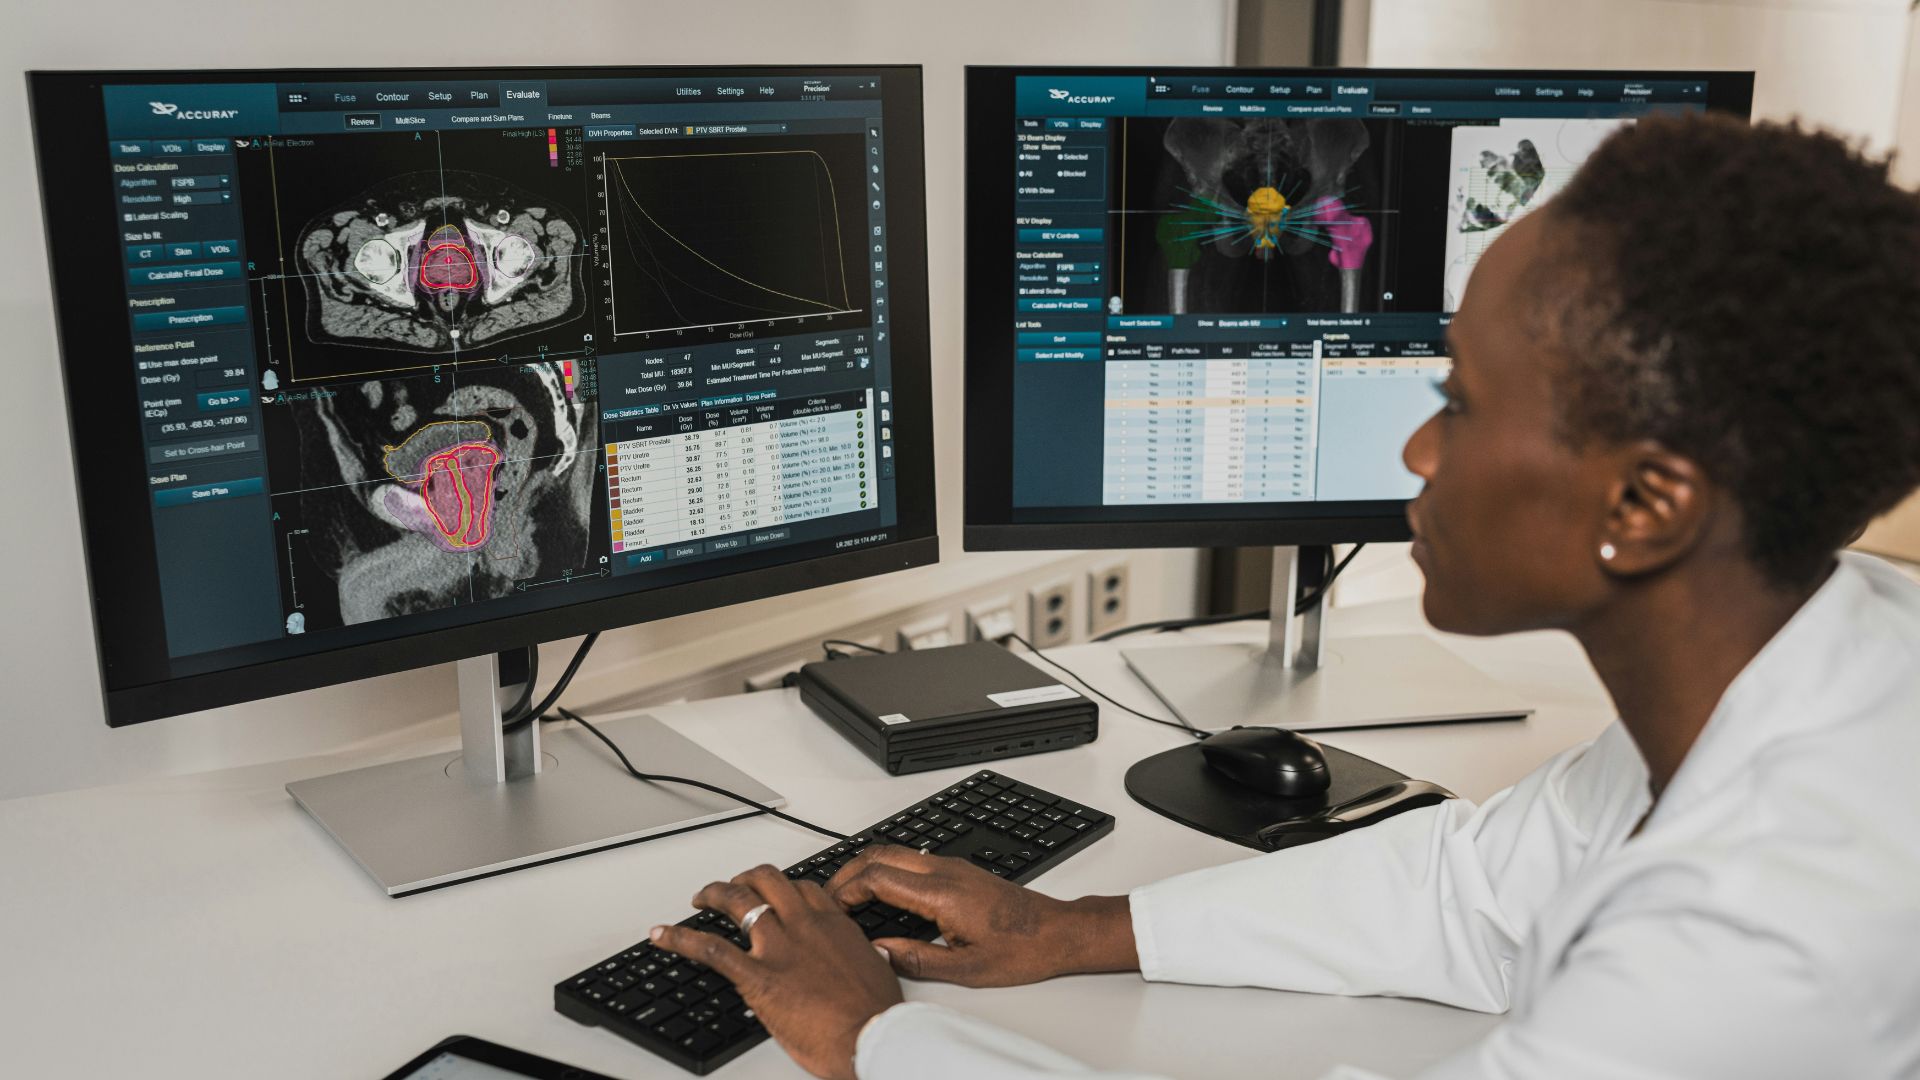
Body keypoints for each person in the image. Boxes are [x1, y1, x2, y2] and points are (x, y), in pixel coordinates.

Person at [650, 113, 1920, 1079]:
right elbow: (1473, 891)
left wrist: (879, 1043)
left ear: (1647, 507)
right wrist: (1071, 928)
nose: (1419, 456)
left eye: (1461, 404)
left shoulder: (1769, 926)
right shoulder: (1832, 643)